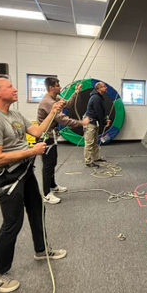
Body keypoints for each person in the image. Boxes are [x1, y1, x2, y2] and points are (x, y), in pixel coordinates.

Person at [0, 78, 67, 293]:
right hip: (8, 179)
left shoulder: (14, 115)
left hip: (25, 173)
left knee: (37, 210)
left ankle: (41, 249)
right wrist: (31, 152)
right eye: (10, 87)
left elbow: (37, 132)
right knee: (12, 224)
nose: (15, 89)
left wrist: (54, 111)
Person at [37, 77, 89, 205]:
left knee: (53, 161)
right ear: (51, 88)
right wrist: (82, 123)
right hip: (45, 137)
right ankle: (46, 194)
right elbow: (64, 120)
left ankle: (53, 185)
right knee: (48, 165)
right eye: (58, 85)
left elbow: (69, 104)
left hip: (52, 136)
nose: (60, 87)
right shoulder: (48, 102)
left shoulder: (56, 99)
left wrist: (76, 92)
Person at [83, 82, 111, 168]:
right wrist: (104, 122)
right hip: (90, 123)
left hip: (94, 122)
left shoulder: (99, 97)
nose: (106, 88)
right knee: (89, 142)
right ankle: (88, 161)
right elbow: (98, 112)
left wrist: (106, 119)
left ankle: (95, 158)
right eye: (104, 86)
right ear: (99, 88)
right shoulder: (95, 98)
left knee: (95, 141)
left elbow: (102, 110)